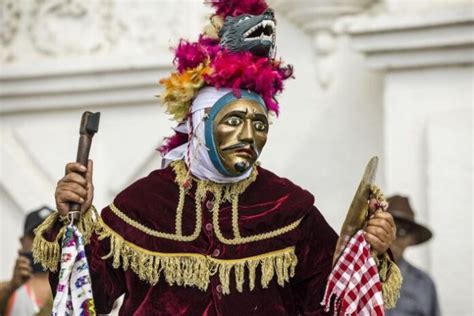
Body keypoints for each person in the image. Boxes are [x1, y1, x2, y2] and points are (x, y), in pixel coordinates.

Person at [33, 1, 401, 315]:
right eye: (235, 120)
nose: (249, 135)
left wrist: (370, 251)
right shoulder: (142, 204)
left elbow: (329, 303)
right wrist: (72, 223)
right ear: (199, 124)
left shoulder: (290, 207)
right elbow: (84, 300)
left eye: (259, 123)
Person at [385, 195, 440, 316]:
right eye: (387, 230)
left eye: (402, 232)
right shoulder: (354, 275)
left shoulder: (424, 284)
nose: (393, 239)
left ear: (412, 239)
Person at [0, 206, 54, 316]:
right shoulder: (8, 289)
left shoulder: (75, 287)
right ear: (22, 241)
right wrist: (11, 286)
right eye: (35, 235)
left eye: (49, 236)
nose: (42, 243)